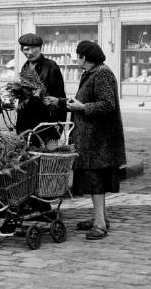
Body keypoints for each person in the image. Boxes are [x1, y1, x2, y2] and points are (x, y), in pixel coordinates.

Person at [60, 41, 126, 240]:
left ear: (85, 57)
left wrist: (82, 107)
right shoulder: (92, 73)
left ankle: (99, 224)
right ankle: (102, 217)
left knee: (96, 181)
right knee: (93, 180)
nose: (76, 59)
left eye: (78, 55)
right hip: (93, 139)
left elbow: (107, 105)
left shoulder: (102, 73)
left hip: (100, 140)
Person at [15, 33, 66, 140]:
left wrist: (58, 130)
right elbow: (23, 99)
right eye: (26, 49)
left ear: (40, 48)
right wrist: (19, 127)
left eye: (34, 49)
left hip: (46, 124)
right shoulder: (25, 67)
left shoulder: (51, 66)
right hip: (26, 124)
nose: (30, 52)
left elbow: (59, 97)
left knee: (45, 156)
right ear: (22, 50)